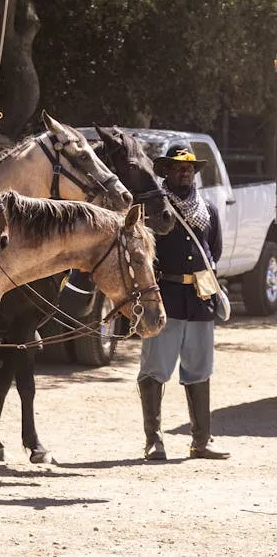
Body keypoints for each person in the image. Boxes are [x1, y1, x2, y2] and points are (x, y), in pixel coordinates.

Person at [138, 145, 230, 461]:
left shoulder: (208, 210)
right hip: (165, 299)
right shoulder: (155, 211)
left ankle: (201, 441)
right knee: (154, 370)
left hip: (200, 301)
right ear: (165, 172)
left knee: (200, 371)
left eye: (189, 167)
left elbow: (213, 253)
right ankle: (154, 440)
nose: (185, 172)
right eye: (178, 167)